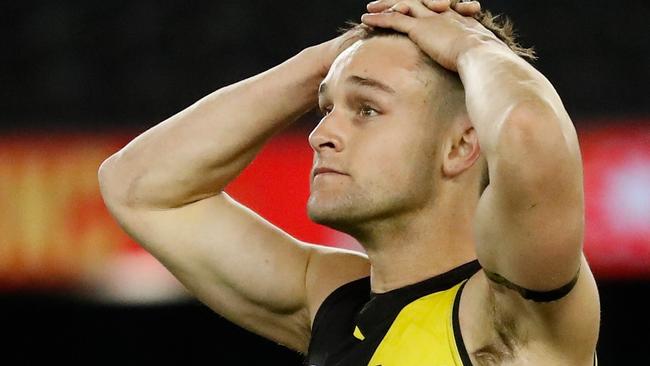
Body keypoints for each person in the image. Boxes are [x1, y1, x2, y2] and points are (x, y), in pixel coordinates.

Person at [98, 0, 600, 364]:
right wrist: (344, 53)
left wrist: (470, 45)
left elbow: (526, 130)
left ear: (460, 147)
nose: (320, 134)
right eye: (324, 108)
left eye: (366, 109)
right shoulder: (332, 303)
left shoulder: (509, 311)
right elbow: (137, 187)